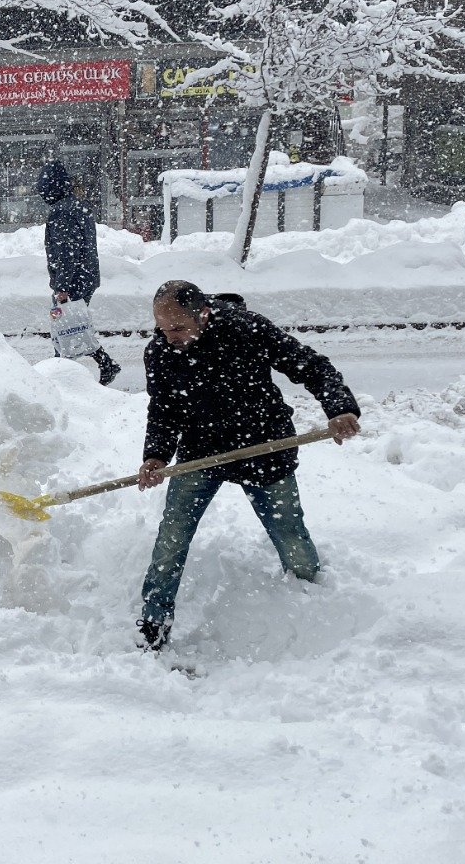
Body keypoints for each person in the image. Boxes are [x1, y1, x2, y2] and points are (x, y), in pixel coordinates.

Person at [134, 279, 361, 652]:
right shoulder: (161, 351)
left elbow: (310, 365)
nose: (168, 337)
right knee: (172, 536)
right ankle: (154, 622)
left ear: (203, 313)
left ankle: (314, 605)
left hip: (265, 446)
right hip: (201, 452)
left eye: (176, 328)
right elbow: (164, 410)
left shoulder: (247, 330)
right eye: (161, 328)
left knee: (288, 529)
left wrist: (340, 408)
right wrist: (156, 455)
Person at [36, 159, 121, 385]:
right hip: (85, 277)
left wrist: (62, 286)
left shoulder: (61, 212)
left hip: (72, 280)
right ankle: (103, 363)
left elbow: (66, 252)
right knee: (71, 325)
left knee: (63, 326)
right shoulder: (78, 205)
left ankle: (60, 376)